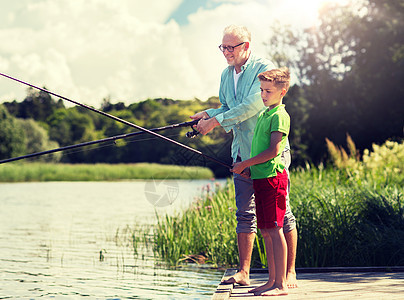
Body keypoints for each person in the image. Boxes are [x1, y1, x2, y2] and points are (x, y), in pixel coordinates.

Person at [190, 25, 297, 288]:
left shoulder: (263, 68)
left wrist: (216, 122)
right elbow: (227, 107)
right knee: (245, 214)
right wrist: (208, 113)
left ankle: (289, 273)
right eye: (223, 47)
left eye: (231, 47)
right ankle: (244, 272)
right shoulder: (226, 75)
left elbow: (251, 106)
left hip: (268, 157)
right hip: (241, 154)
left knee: (282, 216)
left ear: (246, 46)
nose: (226, 52)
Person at [231, 67, 291, 296]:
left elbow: (275, 150)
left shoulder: (279, 115)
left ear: (282, 92)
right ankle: (271, 280)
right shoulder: (265, 114)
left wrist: (245, 163)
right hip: (261, 177)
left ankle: (281, 284)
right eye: (261, 90)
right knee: (266, 230)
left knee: (275, 230)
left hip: (274, 180)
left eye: (268, 91)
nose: (263, 95)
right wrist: (251, 169)